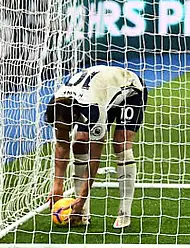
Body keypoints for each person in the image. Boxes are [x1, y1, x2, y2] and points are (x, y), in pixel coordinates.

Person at [45, 65, 147, 229]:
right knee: (79, 143)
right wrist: (57, 185)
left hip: (129, 89)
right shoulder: (55, 105)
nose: (64, 129)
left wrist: (83, 197)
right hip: (100, 91)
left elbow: (94, 159)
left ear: (78, 117)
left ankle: (124, 212)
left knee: (120, 143)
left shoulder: (93, 110)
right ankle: (82, 213)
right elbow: (62, 145)